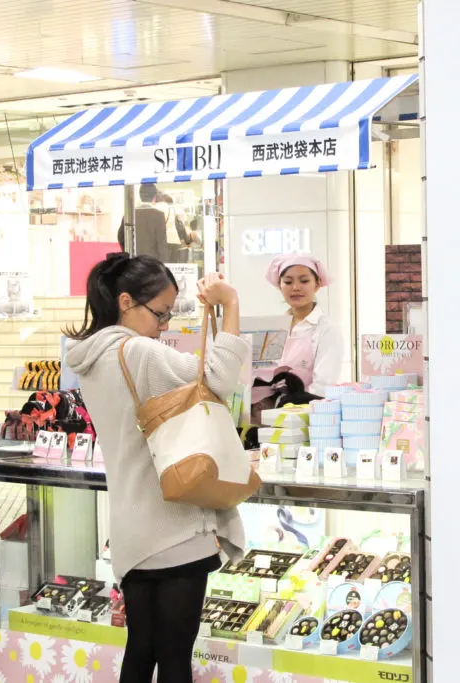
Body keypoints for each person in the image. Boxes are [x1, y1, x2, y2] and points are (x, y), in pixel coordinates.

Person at [64, 253, 249, 683]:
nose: (165, 325)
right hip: (174, 527)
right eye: (160, 313)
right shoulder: (137, 352)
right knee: (175, 658)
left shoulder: (91, 358)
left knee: (141, 648)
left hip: (131, 530)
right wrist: (232, 304)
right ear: (126, 301)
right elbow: (219, 379)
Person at [264, 253, 344, 397]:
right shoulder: (276, 327)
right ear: (279, 286)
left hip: (306, 412)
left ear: (317, 284)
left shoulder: (327, 329)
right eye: (288, 282)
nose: (295, 288)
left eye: (304, 281)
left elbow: (323, 385)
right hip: (270, 411)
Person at [133, 184, 192, 263]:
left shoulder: (130, 215)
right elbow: (161, 241)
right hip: (153, 260)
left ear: (140, 196)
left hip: (135, 258)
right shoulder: (158, 215)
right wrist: (164, 262)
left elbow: (121, 236)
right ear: (154, 197)